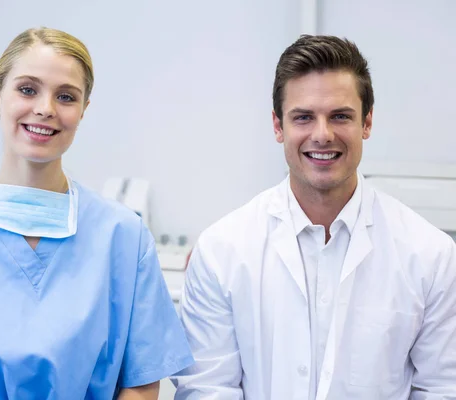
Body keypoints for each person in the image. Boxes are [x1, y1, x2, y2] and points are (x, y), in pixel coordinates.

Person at [0, 27, 194, 400]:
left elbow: (141, 384)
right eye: (27, 89)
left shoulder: (124, 236)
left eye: (65, 96)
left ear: (83, 110)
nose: (45, 108)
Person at [172, 35, 456, 399]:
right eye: (304, 117)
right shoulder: (221, 252)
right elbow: (207, 390)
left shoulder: (430, 254)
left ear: (367, 123)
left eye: (340, 116)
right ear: (278, 126)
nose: (322, 135)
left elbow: (442, 390)